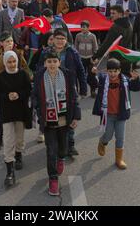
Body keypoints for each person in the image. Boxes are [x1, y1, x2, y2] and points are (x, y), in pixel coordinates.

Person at [33, 50, 81, 196]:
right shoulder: (39, 76)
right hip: (48, 121)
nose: (52, 64)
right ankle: (53, 179)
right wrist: (38, 110)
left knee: (62, 149)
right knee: (51, 150)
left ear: (59, 62)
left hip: (64, 120)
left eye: (55, 61)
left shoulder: (67, 75)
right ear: (45, 63)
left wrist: (75, 117)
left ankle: (61, 158)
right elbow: (34, 95)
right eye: (49, 61)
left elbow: (74, 96)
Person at [37, 28, 87, 157]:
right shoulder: (46, 52)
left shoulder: (72, 52)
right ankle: (55, 143)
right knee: (55, 117)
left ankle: (70, 145)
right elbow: (39, 69)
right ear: (53, 39)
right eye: (57, 38)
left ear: (66, 40)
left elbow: (81, 70)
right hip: (50, 90)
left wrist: (83, 88)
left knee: (70, 117)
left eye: (62, 39)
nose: (60, 41)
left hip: (69, 90)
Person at [93, 58, 140, 170]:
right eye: (110, 71)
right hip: (108, 114)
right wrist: (92, 74)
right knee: (108, 135)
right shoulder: (102, 79)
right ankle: (102, 142)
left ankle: (119, 160)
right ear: (106, 71)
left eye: (115, 71)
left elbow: (136, 88)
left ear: (119, 71)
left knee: (120, 137)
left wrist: (136, 79)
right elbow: (91, 81)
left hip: (121, 115)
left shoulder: (125, 80)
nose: (113, 74)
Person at [0, 51, 32, 188]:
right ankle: (10, 172)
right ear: (4, 63)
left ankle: (19, 154)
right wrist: (7, 96)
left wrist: (19, 94)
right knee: (9, 140)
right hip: (7, 113)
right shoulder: (0, 78)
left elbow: (28, 90)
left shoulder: (23, 75)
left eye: (13, 61)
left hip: (21, 112)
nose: (11, 64)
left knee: (19, 138)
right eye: (9, 62)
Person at [0, 31, 31, 150]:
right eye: (7, 41)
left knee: (20, 112)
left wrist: (29, 75)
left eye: (11, 41)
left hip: (17, 84)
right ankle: (0, 137)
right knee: (1, 113)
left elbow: (24, 66)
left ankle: (18, 145)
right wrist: (5, 53)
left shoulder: (17, 53)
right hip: (4, 86)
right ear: (1, 43)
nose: (10, 43)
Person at [93, 5, 133, 76]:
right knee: (126, 81)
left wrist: (96, 56)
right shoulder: (130, 24)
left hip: (116, 60)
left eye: (113, 13)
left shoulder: (115, 27)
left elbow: (106, 44)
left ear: (120, 14)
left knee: (115, 83)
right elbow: (133, 42)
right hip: (127, 58)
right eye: (111, 13)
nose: (111, 15)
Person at [75, 21, 98, 98]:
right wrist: (77, 57)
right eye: (81, 27)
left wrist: (94, 58)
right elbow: (76, 47)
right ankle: (83, 92)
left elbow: (95, 48)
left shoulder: (92, 36)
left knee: (92, 75)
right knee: (81, 76)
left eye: (84, 27)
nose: (82, 28)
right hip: (81, 58)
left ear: (88, 28)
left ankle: (93, 90)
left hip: (90, 58)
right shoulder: (78, 36)